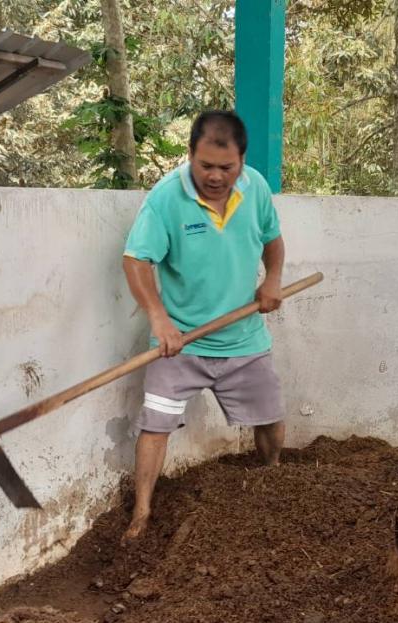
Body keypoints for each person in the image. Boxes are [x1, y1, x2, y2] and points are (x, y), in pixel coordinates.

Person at [120, 109, 286, 541]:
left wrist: (272, 279)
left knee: (269, 417)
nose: (215, 176)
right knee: (155, 425)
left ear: (243, 161)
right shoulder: (165, 198)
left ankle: (275, 482)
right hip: (181, 344)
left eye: (226, 168)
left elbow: (272, 239)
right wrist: (160, 320)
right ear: (190, 154)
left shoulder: (256, 189)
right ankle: (141, 513)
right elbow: (136, 259)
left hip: (244, 338)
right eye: (205, 165)